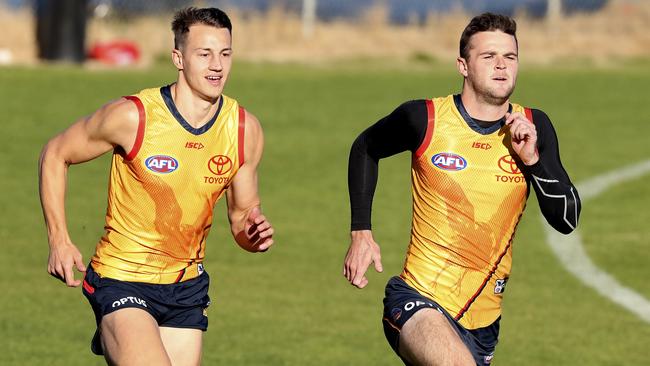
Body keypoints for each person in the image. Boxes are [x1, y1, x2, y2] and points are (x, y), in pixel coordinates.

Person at [39, 7, 274, 365]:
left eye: (225, 54)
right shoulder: (134, 116)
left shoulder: (244, 130)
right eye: (204, 54)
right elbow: (55, 154)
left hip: (186, 287)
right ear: (178, 58)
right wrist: (59, 239)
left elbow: (242, 217)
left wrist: (253, 234)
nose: (217, 65)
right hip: (122, 278)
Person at [343, 12, 581, 366]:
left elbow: (567, 220)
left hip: (483, 324)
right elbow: (366, 147)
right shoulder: (424, 118)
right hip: (416, 299)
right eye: (489, 57)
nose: (502, 66)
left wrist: (532, 160)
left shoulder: (534, 126)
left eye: (510, 57)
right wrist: (361, 231)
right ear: (463, 65)